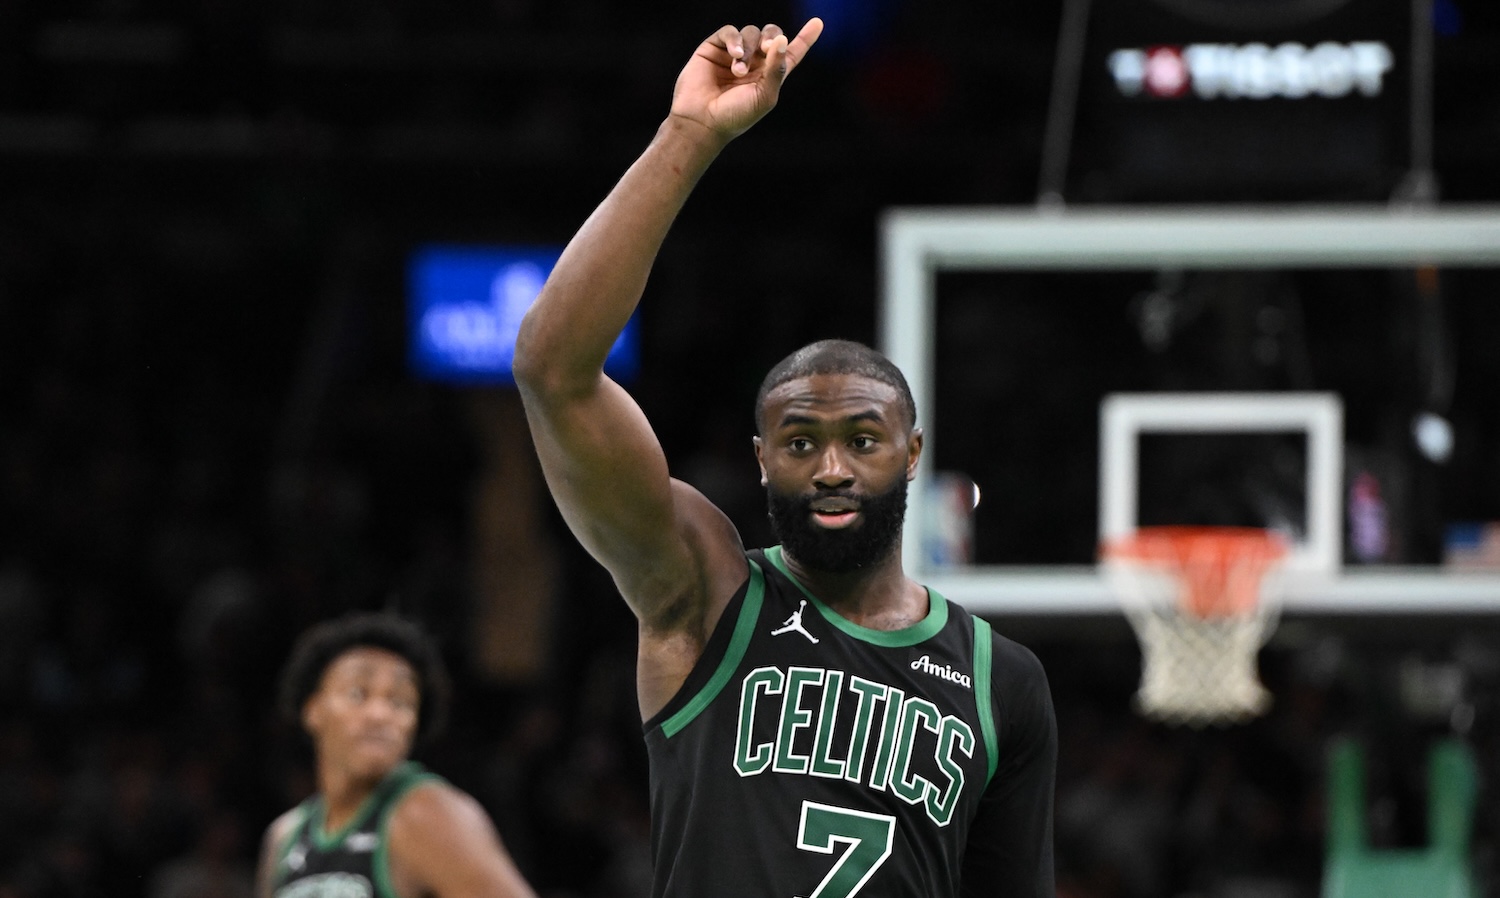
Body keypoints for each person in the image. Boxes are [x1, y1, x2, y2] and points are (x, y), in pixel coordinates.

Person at [512, 17, 1056, 898]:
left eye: (863, 440)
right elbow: (551, 367)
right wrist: (688, 136)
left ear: (912, 454)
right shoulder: (705, 591)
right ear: (762, 460)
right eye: (802, 442)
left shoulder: (1005, 682)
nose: (833, 468)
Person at [255, 613, 536, 898]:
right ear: (313, 709)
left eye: (399, 701)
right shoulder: (284, 837)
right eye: (358, 694)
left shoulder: (427, 815)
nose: (380, 714)